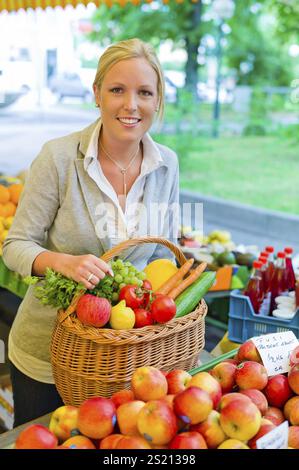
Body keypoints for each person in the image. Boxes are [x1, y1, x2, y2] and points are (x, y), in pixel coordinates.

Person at [3, 38, 179, 427]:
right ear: (97, 94)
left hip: (125, 359)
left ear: (158, 101)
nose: (131, 105)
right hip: (47, 355)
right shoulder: (59, 158)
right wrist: (61, 262)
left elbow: (165, 255)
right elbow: (14, 247)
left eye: (144, 93)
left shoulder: (167, 164)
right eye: (117, 89)